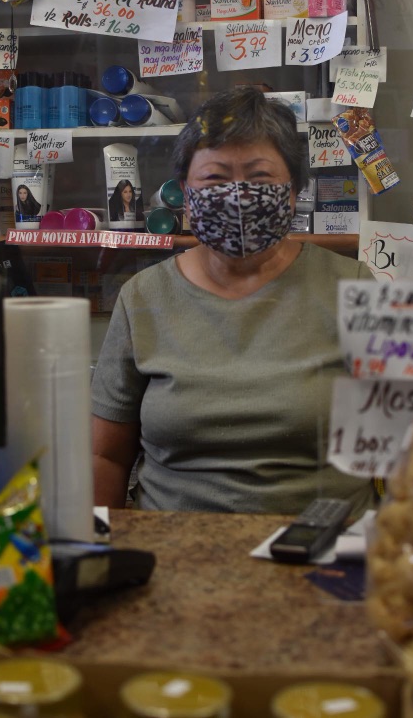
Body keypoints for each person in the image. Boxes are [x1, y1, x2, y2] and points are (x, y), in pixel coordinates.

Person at [92, 86, 375, 517]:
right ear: (186, 194)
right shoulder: (143, 297)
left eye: (259, 178)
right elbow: (106, 457)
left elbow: (405, 438)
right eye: (215, 179)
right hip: (174, 545)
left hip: (324, 542)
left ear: (293, 191)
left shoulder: (353, 287)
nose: (238, 195)